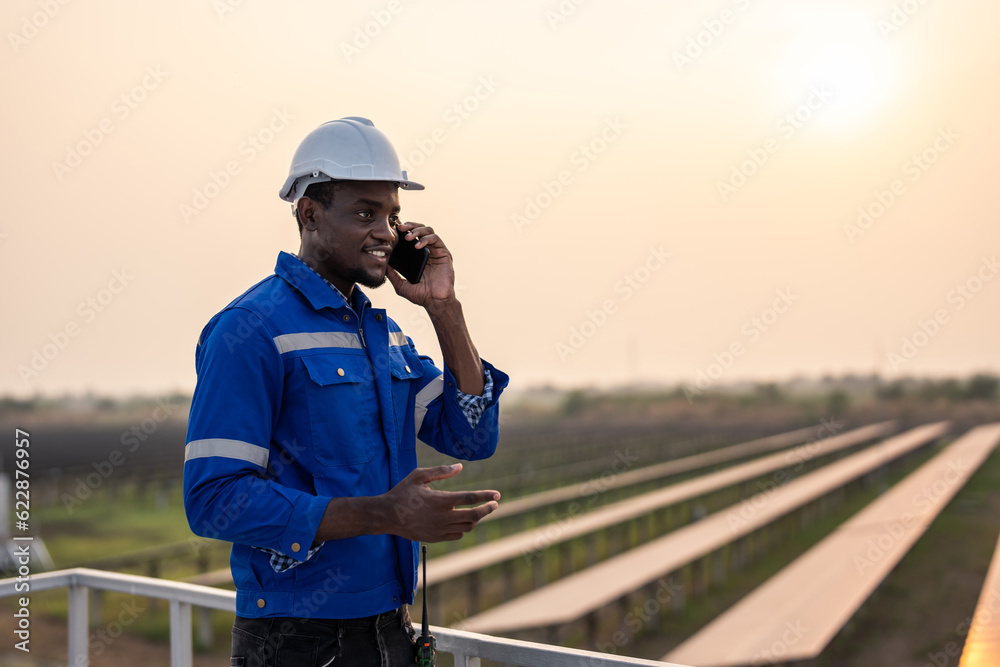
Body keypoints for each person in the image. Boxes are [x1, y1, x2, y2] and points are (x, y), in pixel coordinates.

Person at [182, 116, 508, 666]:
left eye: (393, 215)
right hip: (295, 640)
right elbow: (214, 501)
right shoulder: (251, 329)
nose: (386, 230)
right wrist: (385, 514)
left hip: (390, 630)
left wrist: (444, 309)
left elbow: (471, 436)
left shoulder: (385, 335)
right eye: (365, 213)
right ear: (310, 214)